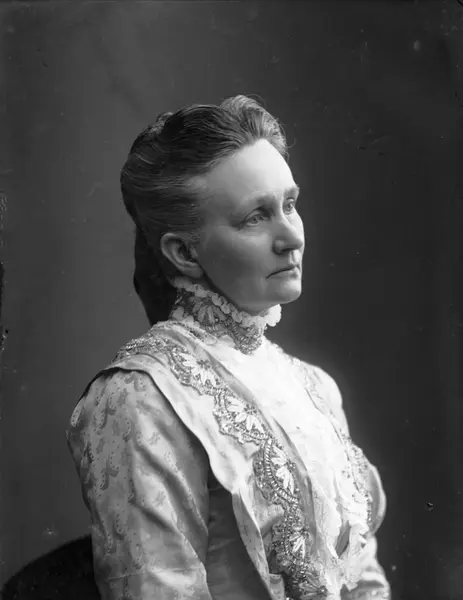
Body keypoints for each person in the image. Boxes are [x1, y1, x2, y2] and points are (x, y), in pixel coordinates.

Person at [66, 95, 391, 600]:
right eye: (255, 217)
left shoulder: (314, 390)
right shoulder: (140, 397)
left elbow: (363, 579)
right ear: (184, 251)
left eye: (290, 205)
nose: (291, 237)